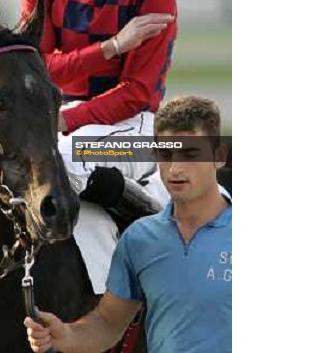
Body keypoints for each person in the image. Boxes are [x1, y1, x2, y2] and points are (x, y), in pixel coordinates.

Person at [20, 0, 178, 293]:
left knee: (64, 157)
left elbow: (136, 94)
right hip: (61, 118)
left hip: (134, 129)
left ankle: (153, 217)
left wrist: (65, 121)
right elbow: (37, 67)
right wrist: (111, 48)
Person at [25, 95, 232, 353]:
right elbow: (107, 324)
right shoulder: (138, 239)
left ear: (219, 155)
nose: (176, 169)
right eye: (165, 155)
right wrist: (64, 334)